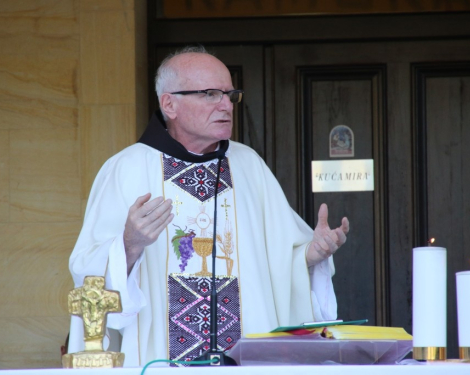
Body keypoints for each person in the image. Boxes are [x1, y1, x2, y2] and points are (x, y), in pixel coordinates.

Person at [68, 46, 349, 367]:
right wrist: (129, 244)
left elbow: (280, 264)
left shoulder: (248, 165)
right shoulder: (127, 168)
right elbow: (88, 275)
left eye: (230, 95)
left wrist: (311, 256)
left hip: (247, 360)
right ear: (169, 103)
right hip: (160, 358)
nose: (226, 105)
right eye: (211, 94)